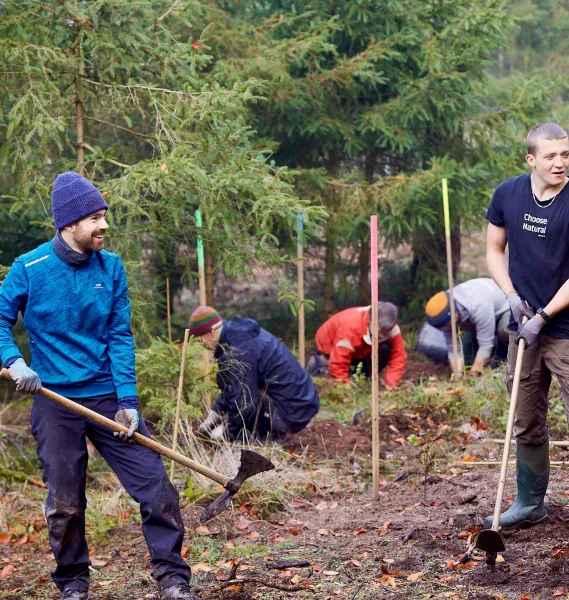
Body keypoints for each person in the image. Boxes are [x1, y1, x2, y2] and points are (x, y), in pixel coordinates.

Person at [0, 172, 198, 600]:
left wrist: (127, 400)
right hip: (54, 400)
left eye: (104, 214)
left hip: (107, 394)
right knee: (65, 503)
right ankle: (73, 581)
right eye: (94, 217)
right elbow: (0, 320)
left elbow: (119, 336)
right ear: (68, 223)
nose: (104, 225)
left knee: (156, 487)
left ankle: (172, 577)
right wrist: (14, 361)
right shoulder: (29, 269)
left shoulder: (111, 267)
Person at [484, 123, 569, 549]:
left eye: (565, 154)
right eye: (551, 155)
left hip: (567, 332)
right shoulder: (508, 194)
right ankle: (529, 504)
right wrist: (513, 299)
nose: (561, 162)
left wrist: (545, 314)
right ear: (531, 159)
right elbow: (495, 250)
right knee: (525, 418)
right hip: (523, 328)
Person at [191, 306, 319, 441]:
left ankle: (267, 439)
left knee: (247, 405)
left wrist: (227, 433)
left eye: (200, 339)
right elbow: (232, 387)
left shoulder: (238, 352)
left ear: (211, 333)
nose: (201, 344)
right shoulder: (236, 338)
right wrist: (213, 416)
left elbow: (245, 403)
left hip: (293, 410)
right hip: (301, 402)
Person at [306, 302, 407, 389]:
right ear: (370, 321)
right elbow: (338, 362)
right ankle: (316, 365)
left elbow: (399, 356)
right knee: (326, 379)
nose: (382, 336)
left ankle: (363, 377)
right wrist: (343, 387)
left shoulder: (391, 327)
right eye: (380, 332)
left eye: (386, 333)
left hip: (361, 349)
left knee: (385, 349)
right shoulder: (350, 329)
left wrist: (390, 383)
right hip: (329, 348)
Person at [424, 278, 510, 376]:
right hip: (478, 318)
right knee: (467, 359)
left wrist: (473, 373)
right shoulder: (445, 309)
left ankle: (503, 360)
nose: (445, 329)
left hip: (506, 309)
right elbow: (454, 350)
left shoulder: (479, 305)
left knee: (505, 331)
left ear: (453, 315)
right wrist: (458, 376)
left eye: (446, 325)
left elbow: (486, 345)